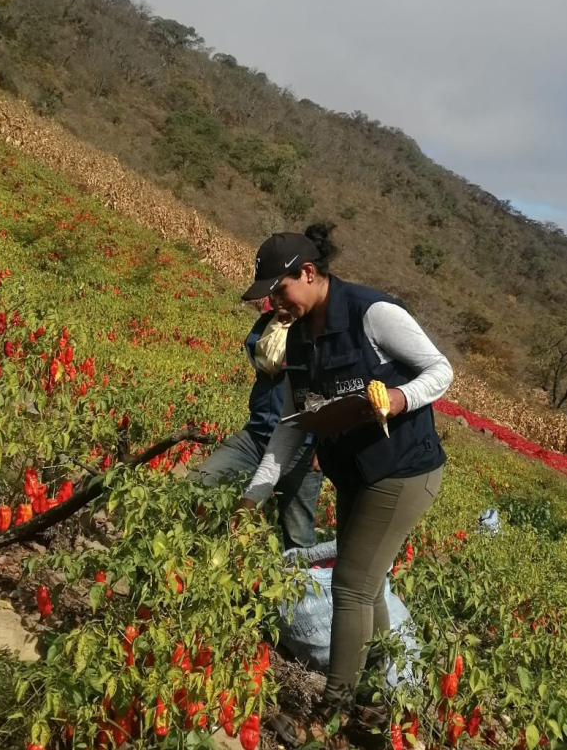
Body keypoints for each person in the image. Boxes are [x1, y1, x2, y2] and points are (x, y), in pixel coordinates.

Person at [234, 222, 453, 741]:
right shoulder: (298, 340)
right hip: (355, 473)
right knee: (368, 586)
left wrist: (397, 399)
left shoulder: (370, 313)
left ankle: (327, 713)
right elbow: (289, 431)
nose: (273, 303)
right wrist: (252, 498)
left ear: (308, 273)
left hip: (403, 470)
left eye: (279, 290)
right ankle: (380, 701)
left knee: (350, 586)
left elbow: (440, 371)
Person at [189, 299, 323, 550]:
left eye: (285, 292)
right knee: (198, 483)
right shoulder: (266, 324)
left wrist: (327, 441)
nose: (279, 299)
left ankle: (299, 585)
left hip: (301, 447)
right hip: (257, 433)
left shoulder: (316, 331)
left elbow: (339, 386)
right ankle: (198, 551)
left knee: (298, 535)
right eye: (274, 293)